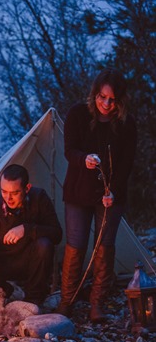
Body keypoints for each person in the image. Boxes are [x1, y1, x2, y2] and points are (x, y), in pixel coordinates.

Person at [57, 67, 137, 323]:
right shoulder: (77, 114)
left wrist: (113, 191)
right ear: (95, 95)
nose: (106, 103)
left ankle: (97, 304)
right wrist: (84, 159)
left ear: (120, 101)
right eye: (102, 97)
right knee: (76, 244)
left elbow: (126, 165)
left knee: (105, 246)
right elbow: (69, 150)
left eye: (112, 99)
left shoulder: (126, 125)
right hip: (79, 190)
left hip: (110, 194)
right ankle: (67, 302)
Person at [0, 164, 62, 306]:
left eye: (14, 193)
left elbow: (57, 234)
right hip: (0, 265)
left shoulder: (39, 198)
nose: (8, 199)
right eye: (4, 192)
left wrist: (26, 229)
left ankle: (34, 300)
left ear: (27, 188)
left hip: (28, 261)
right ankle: (6, 292)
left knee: (44, 245)